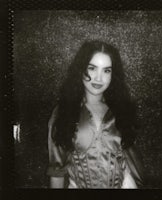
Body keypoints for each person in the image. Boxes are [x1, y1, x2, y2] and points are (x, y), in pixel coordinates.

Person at [47, 40, 145, 188]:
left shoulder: (122, 111)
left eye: (106, 70)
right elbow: (57, 170)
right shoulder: (63, 112)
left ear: (113, 75)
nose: (99, 78)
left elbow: (132, 165)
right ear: (80, 69)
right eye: (92, 68)